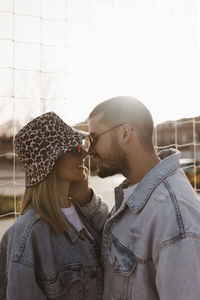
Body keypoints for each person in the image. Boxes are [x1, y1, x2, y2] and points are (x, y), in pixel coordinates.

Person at [77, 96, 200, 299]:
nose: (90, 151)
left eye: (94, 138)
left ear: (124, 133)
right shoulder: (136, 190)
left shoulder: (175, 221)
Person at [0, 111, 108, 300]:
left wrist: (85, 197)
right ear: (50, 161)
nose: (84, 152)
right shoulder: (27, 236)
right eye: (74, 148)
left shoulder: (86, 211)